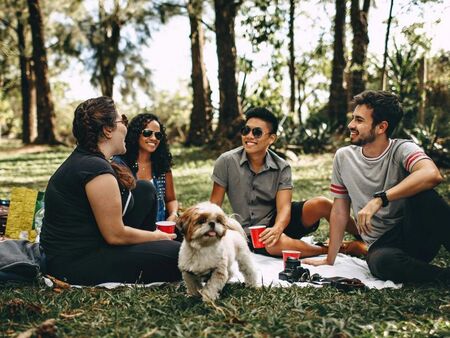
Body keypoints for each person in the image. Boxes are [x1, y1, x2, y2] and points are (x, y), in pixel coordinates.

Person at [304, 90, 450, 284]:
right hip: (382, 246)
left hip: (414, 233)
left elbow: (432, 174)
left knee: (426, 196)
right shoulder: (344, 157)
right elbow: (339, 211)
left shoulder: (402, 149)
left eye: (359, 120)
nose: (351, 125)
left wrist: (380, 199)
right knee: (380, 262)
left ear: (381, 127)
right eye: (352, 118)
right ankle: (442, 278)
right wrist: (329, 259)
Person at [40, 97, 181, 285]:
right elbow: (115, 235)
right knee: (182, 256)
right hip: (77, 263)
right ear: (107, 130)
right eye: (122, 120)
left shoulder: (89, 160)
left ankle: (152, 248)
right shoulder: (95, 169)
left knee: (145, 189)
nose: (126, 126)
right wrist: (157, 236)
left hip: (91, 245)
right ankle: (155, 249)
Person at [210, 107, 365, 258]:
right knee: (274, 244)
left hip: (280, 220)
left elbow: (284, 208)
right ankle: (339, 249)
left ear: (271, 138)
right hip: (251, 233)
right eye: (246, 130)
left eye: (256, 132)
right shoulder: (226, 162)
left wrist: (277, 228)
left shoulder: (282, 167)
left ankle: (364, 237)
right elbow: (214, 205)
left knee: (322, 203)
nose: (249, 136)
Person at [114, 113, 179, 223]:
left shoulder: (162, 166)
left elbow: (171, 199)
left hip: (160, 229)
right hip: (131, 229)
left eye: (158, 135)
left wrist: (173, 214)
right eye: (147, 133)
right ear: (135, 135)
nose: (154, 138)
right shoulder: (120, 165)